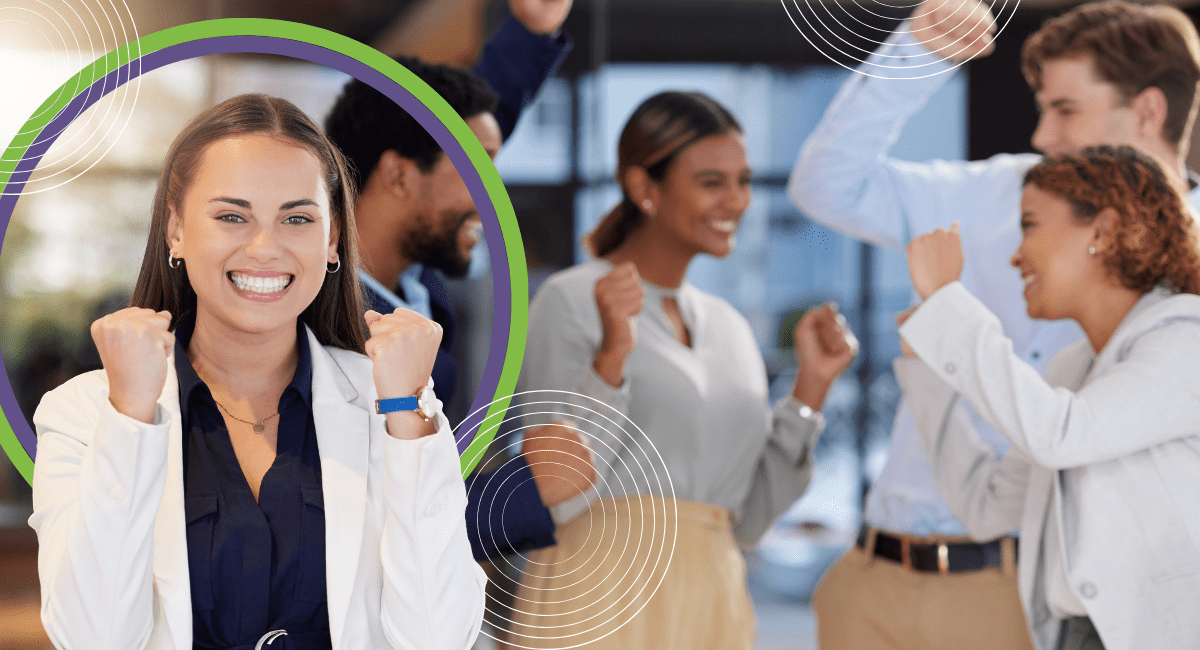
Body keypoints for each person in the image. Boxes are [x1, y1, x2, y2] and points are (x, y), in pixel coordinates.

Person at [787, 1, 1200, 647]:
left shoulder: (1185, 317)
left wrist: (946, 308)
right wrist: (916, 56)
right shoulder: (999, 191)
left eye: (1066, 109)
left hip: (1033, 593)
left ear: (1147, 112)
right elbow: (827, 188)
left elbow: (1064, 435)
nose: (1042, 137)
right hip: (880, 568)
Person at [27, 94, 485, 650]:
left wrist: (408, 413)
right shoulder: (85, 412)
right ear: (176, 230)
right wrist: (129, 417)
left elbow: (437, 639)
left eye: (296, 218)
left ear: (334, 237)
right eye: (230, 216)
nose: (264, 248)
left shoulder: (392, 402)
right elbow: (93, 638)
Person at [509, 91, 858, 649]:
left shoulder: (731, 327)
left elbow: (745, 521)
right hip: (596, 594)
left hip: (713, 599)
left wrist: (810, 390)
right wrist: (611, 360)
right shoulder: (571, 299)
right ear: (644, 188)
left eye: (743, 180)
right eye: (712, 182)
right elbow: (554, 490)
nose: (738, 201)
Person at [897, 145, 1200, 650]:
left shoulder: (1186, 341)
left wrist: (949, 303)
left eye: (1029, 225)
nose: (1016, 254)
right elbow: (986, 506)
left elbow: (1062, 435)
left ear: (1101, 233)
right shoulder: (1071, 369)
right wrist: (925, 375)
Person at [324, 0, 586, 564]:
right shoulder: (319, 327)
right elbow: (369, 530)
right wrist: (527, 490)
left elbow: (446, 130)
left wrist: (532, 30)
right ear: (396, 174)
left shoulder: (413, 285)